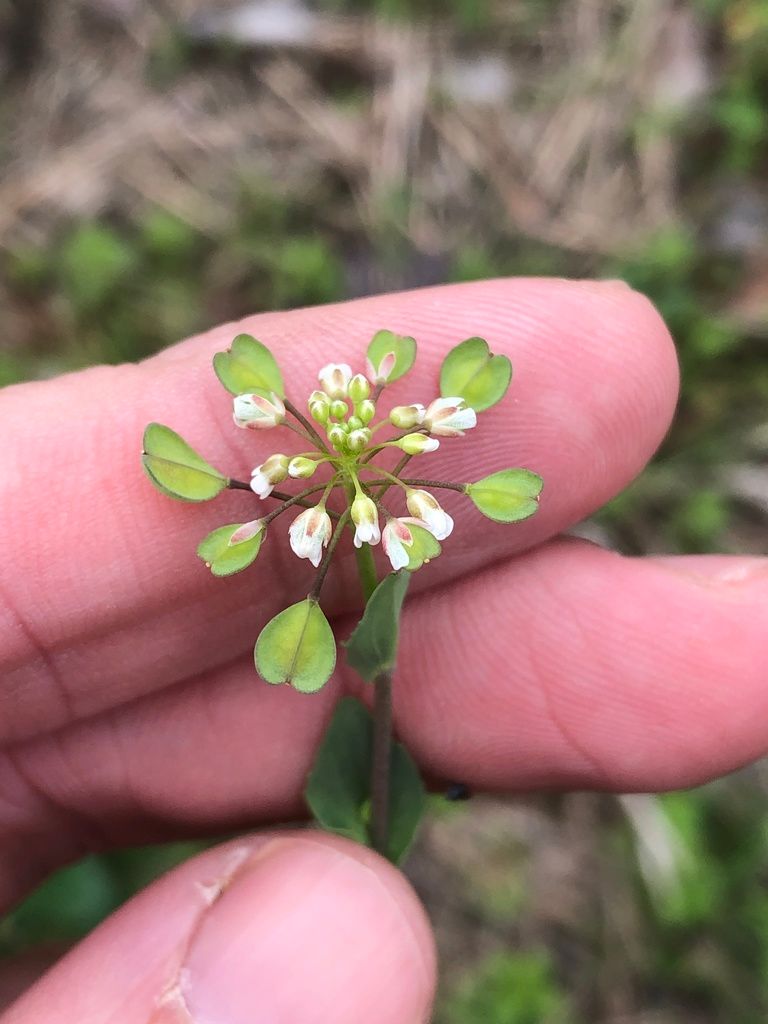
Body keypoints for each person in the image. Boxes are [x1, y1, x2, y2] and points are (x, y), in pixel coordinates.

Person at [1, 277, 766, 1023]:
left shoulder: (395, 465)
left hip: (386, 527)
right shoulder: (303, 480)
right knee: (331, 632)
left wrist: (400, 494)